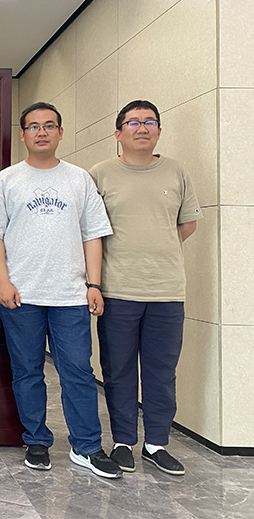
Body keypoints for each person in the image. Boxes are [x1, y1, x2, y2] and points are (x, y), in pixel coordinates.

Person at [0, 102, 122, 479]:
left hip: (70, 296)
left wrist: (94, 284)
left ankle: (87, 446)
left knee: (78, 371)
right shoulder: (7, 180)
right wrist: (2, 280)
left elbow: (93, 235)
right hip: (20, 296)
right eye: (33, 126)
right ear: (22, 134)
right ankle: (37, 441)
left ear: (60, 132)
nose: (41, 132)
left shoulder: (79, 179)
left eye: (48, 126)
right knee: (27, 372)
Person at [89, 100, 201, 476]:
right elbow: (90, 232)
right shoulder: (100, 174)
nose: (142, 127)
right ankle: (123, 442)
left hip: (167, 291)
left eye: (150, 122)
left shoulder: (176, 171)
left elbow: (187, 224)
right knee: (118, 370)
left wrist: (156, 249)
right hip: (117, 290)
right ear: (118, 133)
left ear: (159, 131)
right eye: (133, 122)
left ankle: (156, 444)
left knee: (161, 371)